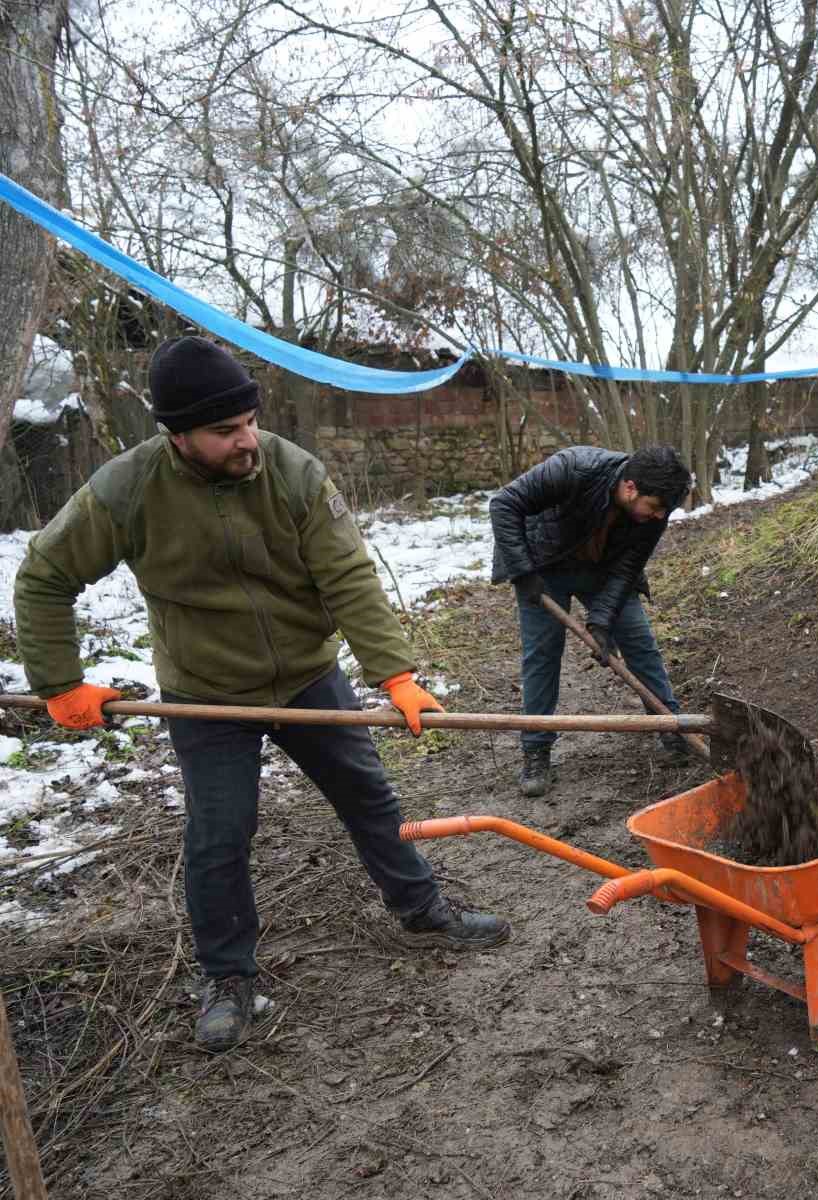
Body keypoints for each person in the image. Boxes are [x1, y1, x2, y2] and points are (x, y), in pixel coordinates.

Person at [12, 336, 511, 1052]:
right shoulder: (126, 490)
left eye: (250, 419)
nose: (248, 438)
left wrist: (393, 673)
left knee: (368, 795)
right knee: (219, 834)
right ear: (178, 435)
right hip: (206, 693)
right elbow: (42, 576)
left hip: (306, 677)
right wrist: (58, 682)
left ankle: (423, 907)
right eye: (225, 431)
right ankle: (228, 978)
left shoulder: (292, 471)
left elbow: (348, 576)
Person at [488, 444, 693, 798]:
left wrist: (602, 621)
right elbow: (504, 504)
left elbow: (629, 566)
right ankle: (536, 750)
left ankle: (671, 727)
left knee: (640, 644)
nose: (660, 516)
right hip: (542, 566)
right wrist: (522, 572)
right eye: (656, 507)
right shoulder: (573, 468)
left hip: (604, 569)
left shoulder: (656, 510)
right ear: (631, 488)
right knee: (542, 656)